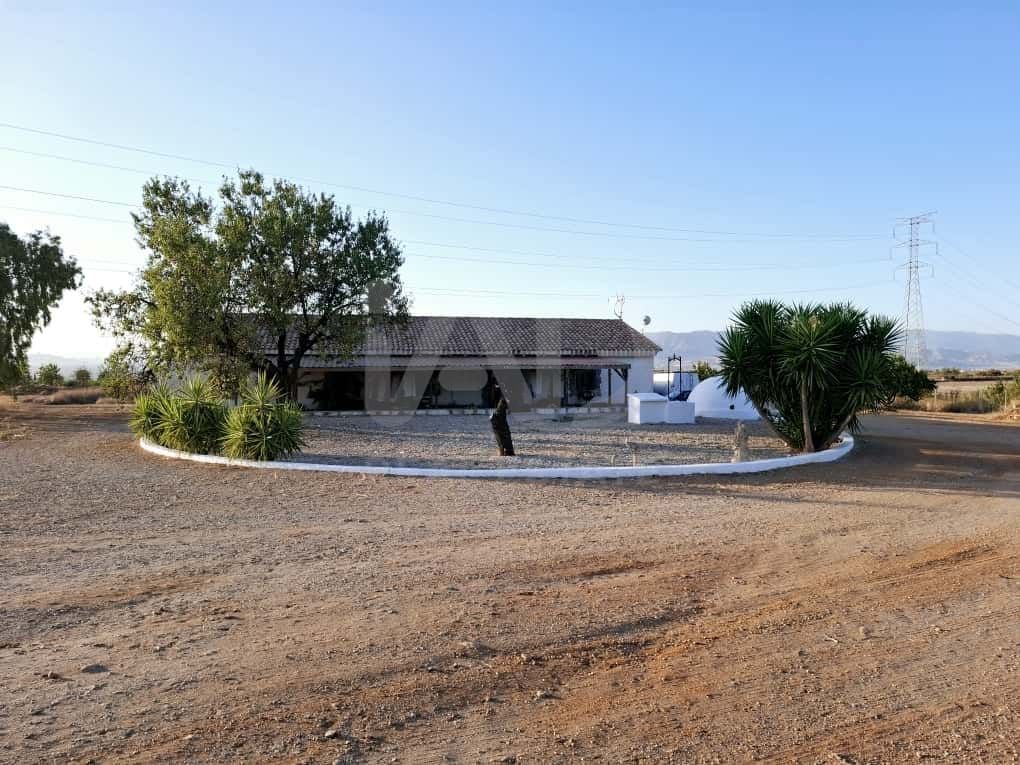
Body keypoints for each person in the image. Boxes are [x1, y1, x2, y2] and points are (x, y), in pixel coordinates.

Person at [489, 385, 515, 456]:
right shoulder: (504, 398)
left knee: (503, 434)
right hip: (497, 418)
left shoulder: (504, 398)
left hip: (499, 418)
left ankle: (505, 451)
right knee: (501, 435)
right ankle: (504, 451)